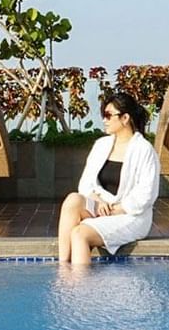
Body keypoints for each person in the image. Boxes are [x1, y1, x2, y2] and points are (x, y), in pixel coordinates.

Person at [57, 91, 161, 265]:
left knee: (80, 233)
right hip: (102, 208)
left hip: (131, 216)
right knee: (72, 200)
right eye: (103, 115)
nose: (104, 120)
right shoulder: (101, 145)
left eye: (108, 115)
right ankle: (63, 268)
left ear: (125, 118)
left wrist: (116, 209)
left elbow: (146, 195)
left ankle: (79, 286)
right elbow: (85, 183)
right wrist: (98, 201)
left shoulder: (144, 150)